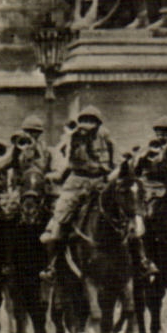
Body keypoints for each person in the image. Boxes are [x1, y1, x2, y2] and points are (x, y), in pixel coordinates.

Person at [40, 106, 116, 272]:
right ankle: (52, 265)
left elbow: (114, 162)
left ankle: (140, 260)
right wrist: (57, 176)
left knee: (125, 213)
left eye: (91, 121)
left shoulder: (106, 139)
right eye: (84, 121)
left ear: (97, 124)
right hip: (76, 183)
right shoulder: (72, 139)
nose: (86, 124)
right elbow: (66, 162)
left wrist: (112, 175)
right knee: (59, 217)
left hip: (101, 183)